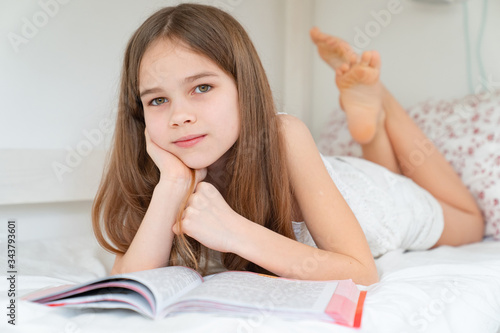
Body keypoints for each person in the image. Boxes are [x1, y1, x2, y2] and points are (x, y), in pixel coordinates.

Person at [92, 3, 484, 285]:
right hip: (339, 181)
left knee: (471, 222)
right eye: (157, 100)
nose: (179, 116)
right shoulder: (161, 168)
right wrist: (173, 184)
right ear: (139, 113)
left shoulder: (284, 135)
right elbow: (128, 282)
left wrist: (235, 232)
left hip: (379, 202)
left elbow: (362, 272)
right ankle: (372, 131)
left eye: (202, 87)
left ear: (245, 88)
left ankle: (381, 101)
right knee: (383, 171)